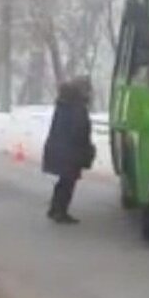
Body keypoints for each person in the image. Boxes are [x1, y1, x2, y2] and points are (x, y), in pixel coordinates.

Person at [42, 77, 95, 224]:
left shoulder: (65, 104)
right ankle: (60, 211)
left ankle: (55, 209)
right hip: (70, 151)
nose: (90, 94)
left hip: (60, 148)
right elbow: (79, 131)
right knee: (68, 182)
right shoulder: (77, 108)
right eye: (88, 90)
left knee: (64, 180)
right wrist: (86, 149)